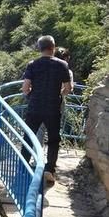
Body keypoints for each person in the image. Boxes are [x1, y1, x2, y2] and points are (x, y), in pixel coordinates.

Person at [21, 35, 72, 183]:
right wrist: (59, 95)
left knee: (29, 136)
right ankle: (49, 169)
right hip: (53, 108)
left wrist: (31, 95)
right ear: (53, 47)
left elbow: (25, 88)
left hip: (35, 107)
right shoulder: (62, 64)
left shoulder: (32, 64)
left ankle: (23, 165)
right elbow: (68, 88)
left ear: (40, 48)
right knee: (54, 139)